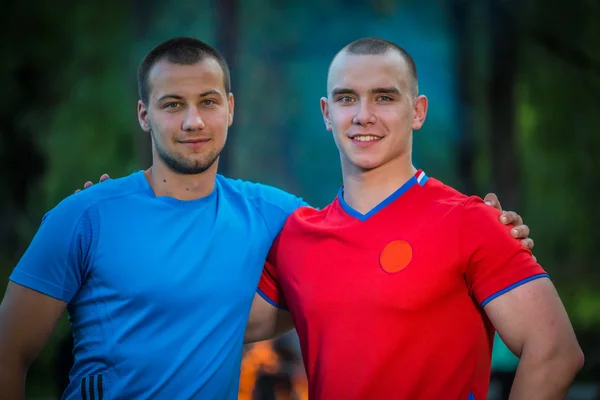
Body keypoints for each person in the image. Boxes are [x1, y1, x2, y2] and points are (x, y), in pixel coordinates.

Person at [0, 37, 532, 400]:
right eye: (171, 104)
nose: (192, 121)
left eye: (208, 101)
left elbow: (363, 237)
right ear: (144, 114)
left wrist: (488, 225)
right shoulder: (84, 217)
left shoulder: (279, 215)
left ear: (230, 108)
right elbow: (9, 350)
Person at [252, 38, 584, 400]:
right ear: (326, 113)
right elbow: (212, 324)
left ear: (418, 111)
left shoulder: (470, 222)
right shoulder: (297, 237)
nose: (364, 114)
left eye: (384, 97)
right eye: (347, 98)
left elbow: (555, 353)